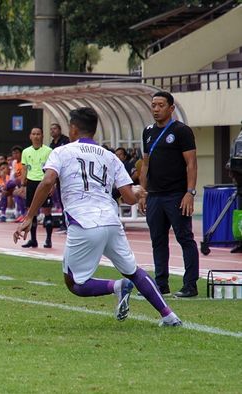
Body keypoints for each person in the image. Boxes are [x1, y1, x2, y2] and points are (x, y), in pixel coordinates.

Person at [13, 107, 182, 327]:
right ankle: (169, 315)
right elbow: (129, 198)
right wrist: (138, 191)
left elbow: (47, 182)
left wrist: (28, 217)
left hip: (83, 222)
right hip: (111, 221)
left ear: (73, 129)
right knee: (134, 271)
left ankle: (115, 287)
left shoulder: (62, 152)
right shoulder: (110, 156)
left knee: (75, 283)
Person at [139, 91, 199, 298]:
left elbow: (191, 164)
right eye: (153, 105)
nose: (156, 109)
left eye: (160, 105)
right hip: (154, 196)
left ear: (171, 108)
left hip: (176, 195)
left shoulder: (182, 131)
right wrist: (142, 193)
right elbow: (145, 164)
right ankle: (161, 284)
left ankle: (190, 284)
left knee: (185, 238)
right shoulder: (147, 132)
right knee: (158, 240)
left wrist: (189, 192)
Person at [21, 127, 54, 248]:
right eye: (33, 134)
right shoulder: (25, 152)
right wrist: (23, 185)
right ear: (30, 136)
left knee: (47, 211)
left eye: (38, 134)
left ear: (42, 136)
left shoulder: (49, 151)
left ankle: (48, 240)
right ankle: (33, 240)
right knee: (32, 212)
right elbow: (24, 169)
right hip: (31, 183)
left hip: (44, 182)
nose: (36, 136)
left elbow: (52, 169)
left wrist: (52, 185)